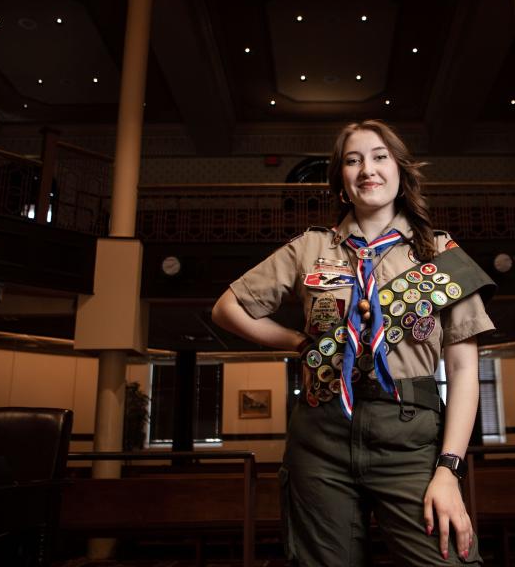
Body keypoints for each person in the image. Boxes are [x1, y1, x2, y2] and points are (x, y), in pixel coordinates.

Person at [212, 120, 495, 565]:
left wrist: (449, 469)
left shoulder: (442, 255)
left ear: (400, 171)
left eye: (380, 156)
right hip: (321, 434)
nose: (368, 169)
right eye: (353, 159)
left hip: (409, 435)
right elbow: (226, 309)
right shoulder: (310, 247)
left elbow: (462, 374)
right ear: (341, 182)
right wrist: (297, 341)